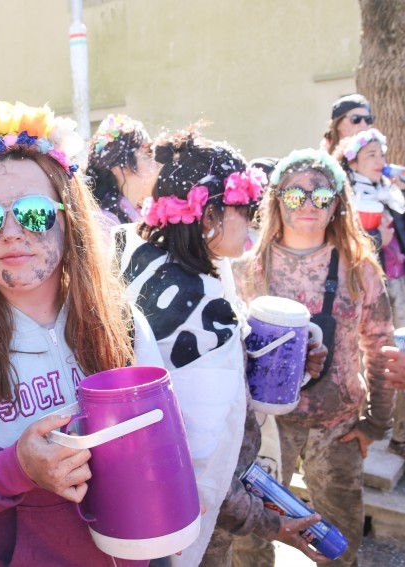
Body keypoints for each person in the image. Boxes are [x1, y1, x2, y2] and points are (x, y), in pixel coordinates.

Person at [0, 101, 166, 566]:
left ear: (69, 218)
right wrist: (16, 468)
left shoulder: (118, 319)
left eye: (35, 213)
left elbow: (160, 444)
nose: (11, 232)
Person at [114, 128, 327, 567]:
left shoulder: (132, 247)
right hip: (187, 520)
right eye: (245, 208)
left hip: (131, 495)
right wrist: (267, 524)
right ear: (208, 214)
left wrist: (279, 362)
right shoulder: (203, 307)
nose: (251, 221)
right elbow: (199, 460)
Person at [233, 148, 395, 567]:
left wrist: (376, 423)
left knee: (339, 542)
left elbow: (379, 346)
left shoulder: (360, 270)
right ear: (276, 200)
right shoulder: (247, 270)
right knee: (251, 539)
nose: (308, 204)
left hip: (337, 426)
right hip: (267, 429)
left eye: (321, 196)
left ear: (337, 204)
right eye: (295, 195)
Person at [333, 128, 405, 471]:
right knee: (372, 362)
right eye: (371, 155)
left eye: (381, 153)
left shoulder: (389, 193)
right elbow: (345, 246)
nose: (380, 161)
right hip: (365, 291)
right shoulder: (344, 198)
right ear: (353, 163)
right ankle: (372, 428)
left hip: (400, 285)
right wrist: (378, 235)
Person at [86, 114, 159, 227]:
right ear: (120, 166)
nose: (156, 160)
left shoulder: (148, 212)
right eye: (148, 153)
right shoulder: (104, 222)